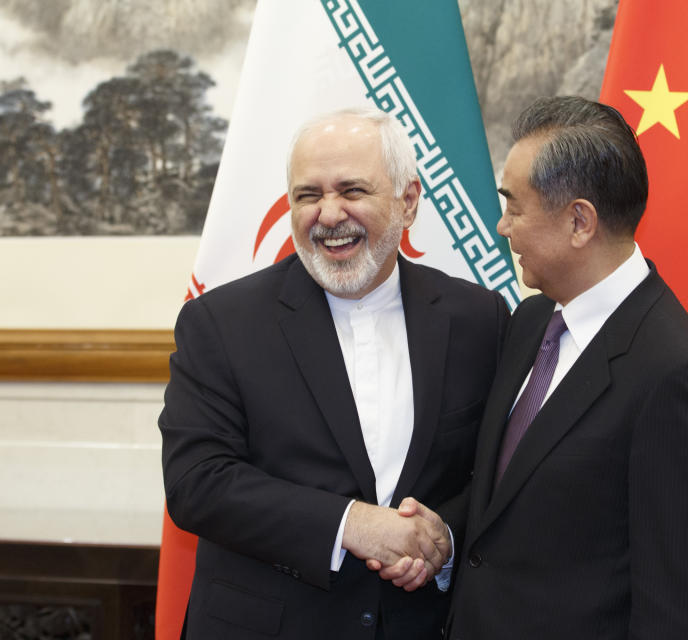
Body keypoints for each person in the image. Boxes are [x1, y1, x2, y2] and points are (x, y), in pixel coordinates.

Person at [158, 106, 509, 639]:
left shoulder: (479, 318)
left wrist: (443, 538)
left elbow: (497, 472)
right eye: (307, 195)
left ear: (408, 202)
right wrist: (352, 524)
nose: (327, 213)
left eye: (352, 190)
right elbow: (196, 483)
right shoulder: (221, 323)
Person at [440, 96, 688, 639]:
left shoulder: (674, 376)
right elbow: (517, 505)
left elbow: (682, 611)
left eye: (514, 207)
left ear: (580, 221)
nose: (501, 226)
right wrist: (441, 534)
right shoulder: (532, 321)